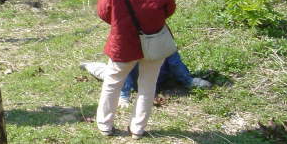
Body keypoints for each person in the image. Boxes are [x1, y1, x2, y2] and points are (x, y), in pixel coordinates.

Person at [94, 0, 176, 139]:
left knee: (113, 83)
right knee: (148, 85)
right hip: (154, 39)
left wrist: (122, 25)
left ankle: (105, 125)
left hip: (123, 42)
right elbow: (169, 8)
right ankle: (137, 129)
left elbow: (104, 13)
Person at [81, 51, 211, 106]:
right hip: (133, 79)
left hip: (161, 76)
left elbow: (173, 59)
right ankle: (89, 65)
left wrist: (188, 80)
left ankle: (189, 80)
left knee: (169, 53)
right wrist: (124, 95)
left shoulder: (160, 31)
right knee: (111, 74)